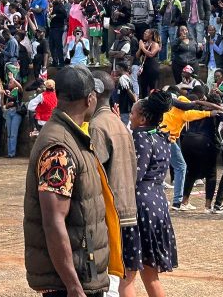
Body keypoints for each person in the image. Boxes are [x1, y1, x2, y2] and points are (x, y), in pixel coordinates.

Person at [24, 65, 121, 297]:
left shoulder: (73, 136)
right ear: (90, 99)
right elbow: (53, 220)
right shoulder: (59, 147)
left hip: (83, 269)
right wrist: (73, 285)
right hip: (70, 281)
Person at [120, 91, 178, 297]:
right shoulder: (161, 137)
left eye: (133, 114)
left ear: (143, 118)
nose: (130, 118)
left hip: (140, 207)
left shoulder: (141, 137)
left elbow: (135, 175)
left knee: (127, 276)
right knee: (150, 275)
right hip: (158, 204)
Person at [89, 70, 138, 297]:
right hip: (128, 211)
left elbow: (93, 177)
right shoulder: (119, 123)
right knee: (120, 282)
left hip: (111, 215)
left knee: (108, 286)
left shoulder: (97, 126)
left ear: (94, 94)